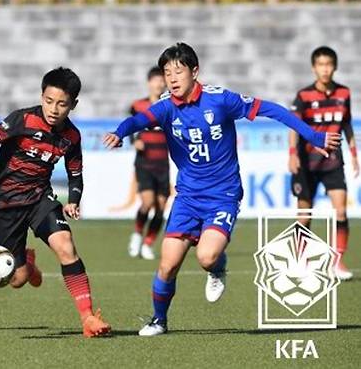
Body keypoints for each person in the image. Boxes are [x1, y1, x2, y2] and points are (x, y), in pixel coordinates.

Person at [103, 42, 341, 336]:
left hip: (222, 196)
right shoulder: (166, 107)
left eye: (178, 71)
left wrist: (313, 135)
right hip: (188, 197)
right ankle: (159, 320)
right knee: (167, 265)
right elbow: (139, 119)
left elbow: (272, 110)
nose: (172, 78)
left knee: (206, 256)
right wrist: (120, 132)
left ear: (195, 71)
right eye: (167, 73)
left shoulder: (221, 100)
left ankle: (217, 266)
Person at [0, 67, 111, 338]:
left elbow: (75, 172)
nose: (54, 109)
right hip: (5, 203)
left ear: (73, 105)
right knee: (18, 279)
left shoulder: (72, 136)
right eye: (49, 101)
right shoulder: (22, 119)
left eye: (62, 104)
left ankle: (88, 317)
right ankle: (27, 261)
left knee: (66, 246)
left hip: (39, 198)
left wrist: (73, 200)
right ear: (41, 96)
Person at [289, 46, 358, 280]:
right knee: (304, 215)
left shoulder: (344, 94)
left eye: (329, 64)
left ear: (335, 67)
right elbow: (294, 126)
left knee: (340, 211)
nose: (325, 69)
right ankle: (301, 261)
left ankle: (337, 262)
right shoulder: (304, 96)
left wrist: (354, 154)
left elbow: (347, 124)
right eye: (321, 65)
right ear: (314, 67)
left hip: (333, 161)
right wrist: (292, 154)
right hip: (307, 162)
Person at [128, 66, 170, 260]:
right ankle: (137, 234)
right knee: (147, 203)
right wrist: (134, 141)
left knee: (161, 207)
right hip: (144, 163)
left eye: (162, 80)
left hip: (163, 163)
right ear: (149, 82)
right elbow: (130, 127)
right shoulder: (138, 105)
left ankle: (148, 243)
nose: (159, 83)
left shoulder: (170, 105)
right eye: (156, 80)